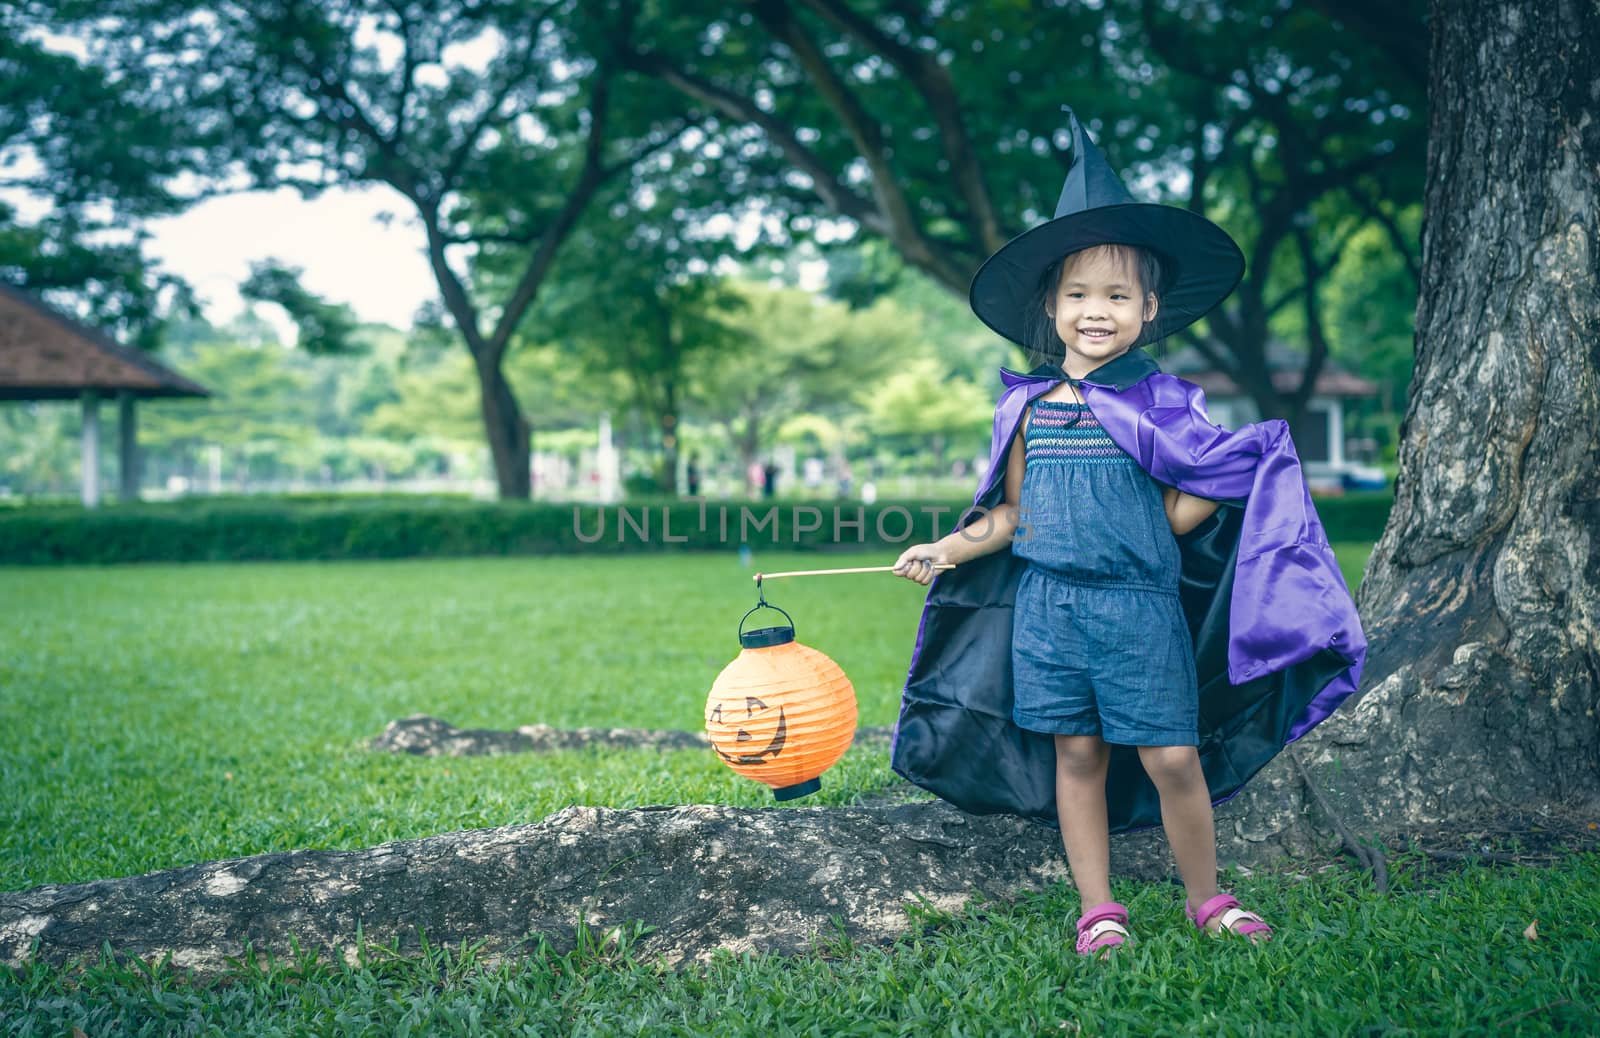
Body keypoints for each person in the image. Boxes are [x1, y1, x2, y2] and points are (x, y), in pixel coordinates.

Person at [889, 107, 1365, 960]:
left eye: (1116, 296)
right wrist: (948, 548)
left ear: (1149, 308)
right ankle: (1098, 907)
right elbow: (1014, 513)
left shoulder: (1166, 405)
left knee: (1173, 757)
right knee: (1077, 754)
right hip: (1049, 609)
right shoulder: (1026, 406)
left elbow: (1207, 489)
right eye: (1077, 294)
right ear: (1051, 306)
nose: (1094, 311)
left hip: (1140, 611)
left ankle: (1207, 896)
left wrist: (1153, 524)